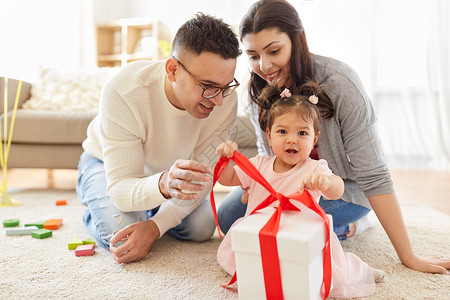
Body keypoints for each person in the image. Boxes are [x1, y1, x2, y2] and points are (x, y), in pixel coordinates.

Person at [218, 0, 450, 274]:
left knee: (290, 222)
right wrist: (252, 187)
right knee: (229, 216)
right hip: (283, 185)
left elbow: (374, 175)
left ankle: (352, 225)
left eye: (274, 51)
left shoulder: (341, 82)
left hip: (341, 190)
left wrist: (409, 256)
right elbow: (266, 152)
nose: (264, 65)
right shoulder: (260, 88)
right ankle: (327, 229)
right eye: (253, 55)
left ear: (297, 40)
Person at [76, 13, 241, 264]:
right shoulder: (124, 91)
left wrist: (155, 226)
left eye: (225, 86)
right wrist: (163, 186)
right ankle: (93, 197)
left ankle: (149, 208)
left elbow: (202, 178)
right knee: (121, 237)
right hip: (105, 165)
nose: (218, 100)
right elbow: (121, 188)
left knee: (201, 228)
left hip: (171, 175)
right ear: (172, 70)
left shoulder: (224, 101)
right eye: (207, 86)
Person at [215, 83, 385, 298]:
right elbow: (227, 178)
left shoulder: (315, 167)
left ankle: (360, 269)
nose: (291, 139)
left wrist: (325, 182)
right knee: (247, 265)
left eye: (302, 133)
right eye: (282, 131)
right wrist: (225, 159)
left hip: (300, 237)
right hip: (264, 234)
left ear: (314, 139)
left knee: (333, 273)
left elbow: (337, 190)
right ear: (269, 135)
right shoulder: (258, 164)